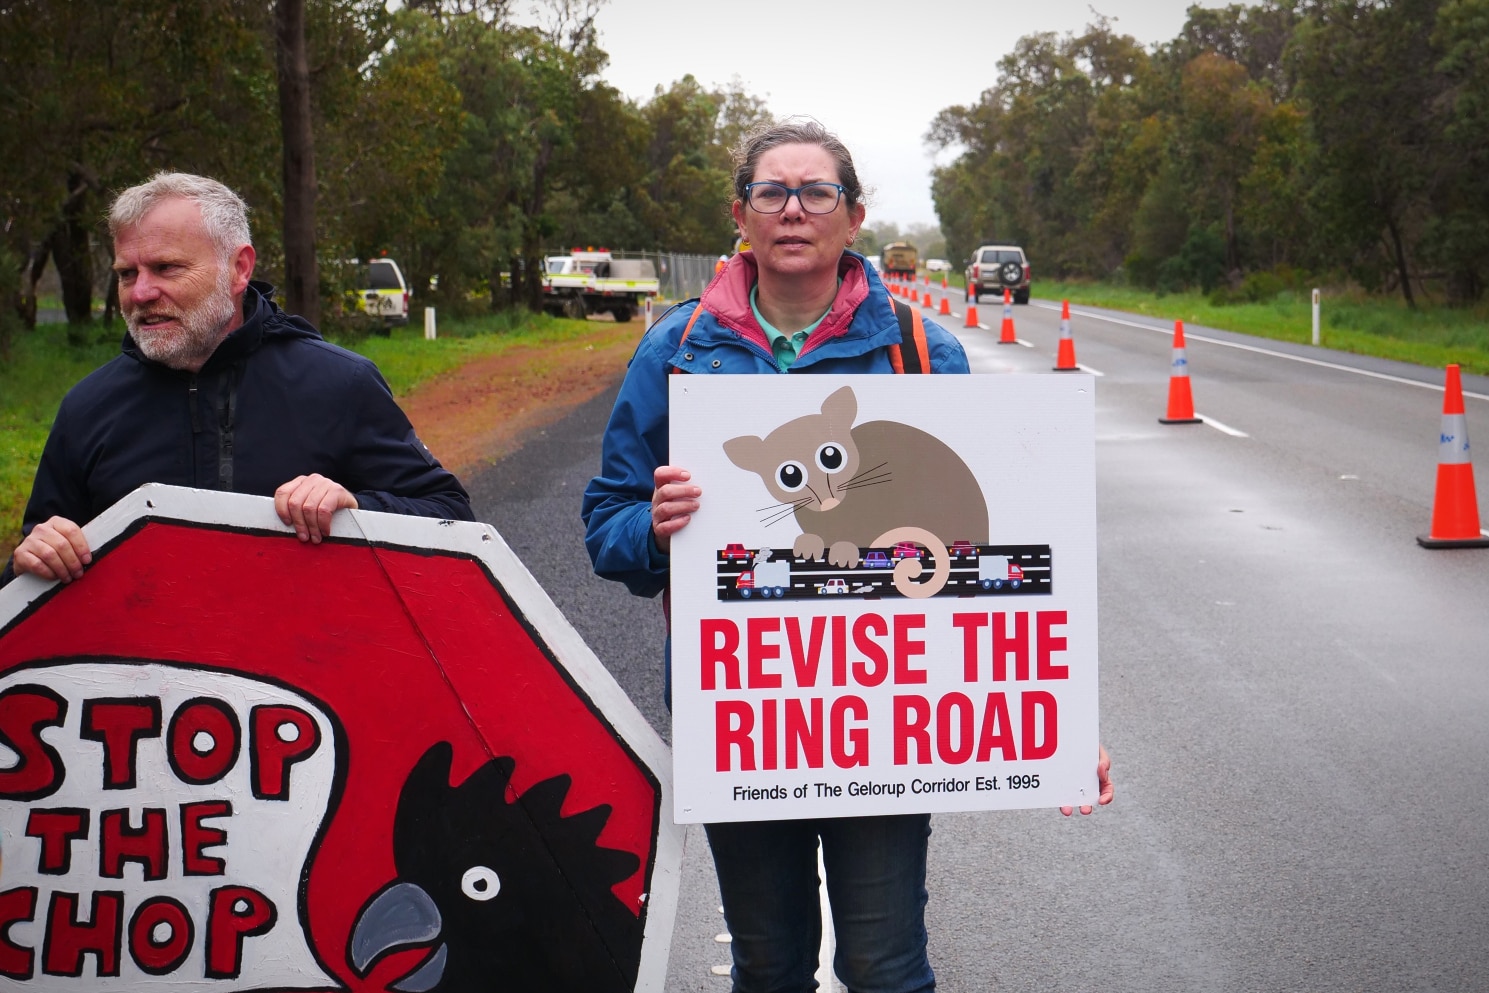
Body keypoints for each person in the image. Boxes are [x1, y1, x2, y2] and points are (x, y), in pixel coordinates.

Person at [582, 119, 1113, 993]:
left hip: (885, 708)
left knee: (882, 960)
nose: (794, 210)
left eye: (816, 192)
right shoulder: (675, 351)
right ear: (740, 214)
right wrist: (655, 524)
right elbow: (607, 523)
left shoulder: (917, 348)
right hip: (743, 710)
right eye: (771, 192)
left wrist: (1058, 724)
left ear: (852, 214)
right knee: (769, 963)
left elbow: (1001, 544)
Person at [2, 172, 473, 587]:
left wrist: (354, 506)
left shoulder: (338, 384)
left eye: (166, 267)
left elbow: (451, 515)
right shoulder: (88, 407)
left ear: (238, 268)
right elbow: (33, 573)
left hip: (305, 676)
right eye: (127, 274)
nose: (141, 293)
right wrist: (31, 560)